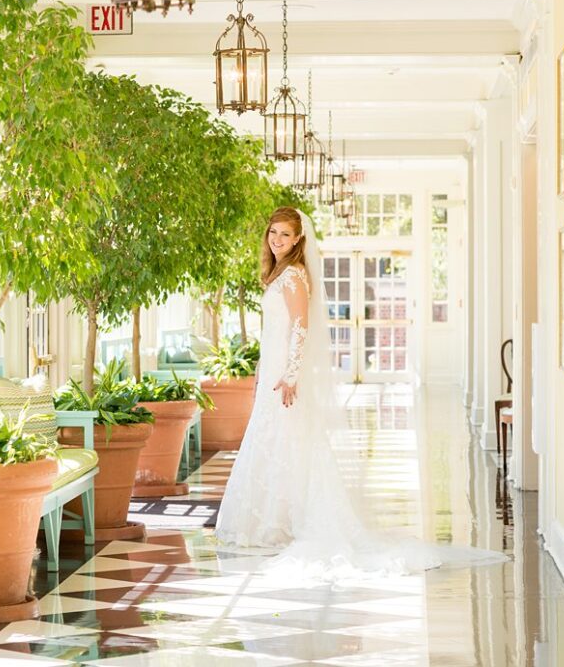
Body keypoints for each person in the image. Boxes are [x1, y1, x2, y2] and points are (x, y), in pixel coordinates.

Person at [214, 206, 504, 578]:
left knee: (289, 441)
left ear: (299, 239)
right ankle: (275, 520)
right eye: (273, 233)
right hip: (273, 371)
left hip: (284, 377)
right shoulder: (279, 273)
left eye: (285, 235)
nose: (277, 240)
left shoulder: (294, 276)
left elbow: (300, 327)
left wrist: (291, 374)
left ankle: (283, 522)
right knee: (276, 441)